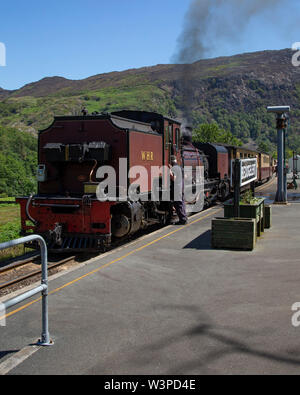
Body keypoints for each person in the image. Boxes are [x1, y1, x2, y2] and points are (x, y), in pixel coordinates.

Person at [169, 157, 188, 225]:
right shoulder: (180, 167)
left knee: (178, 204)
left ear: (171, 162)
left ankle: (183, 220)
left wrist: (170, 172)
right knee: (182, 203)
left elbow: (174, 179)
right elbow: (185, 176)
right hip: (182, 187)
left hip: (178, 188)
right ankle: (184, 218)